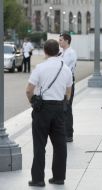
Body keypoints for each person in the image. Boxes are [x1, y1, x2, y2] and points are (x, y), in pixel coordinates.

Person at [26, 39, 73, 187]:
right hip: (59, 108)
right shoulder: (65, 68)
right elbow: (69, 91)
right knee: (60, 145)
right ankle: (59, 177)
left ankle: (38, 179)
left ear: (45, 52)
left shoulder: (40, 68)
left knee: (40, 145)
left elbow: (29, 90)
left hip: (43, 110)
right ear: (58, 50)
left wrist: (33, 101)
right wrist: (62, 104)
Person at [59, 33, 77, 142]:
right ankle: (65, 132)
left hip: (68, 83)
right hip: (63, 82)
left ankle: (69, 134)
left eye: (61, 40)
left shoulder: (70, 53)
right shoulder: (62, 52)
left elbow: (65, 69)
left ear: (66, 41)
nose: (59, 42)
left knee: (67, 107)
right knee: (63, 108)